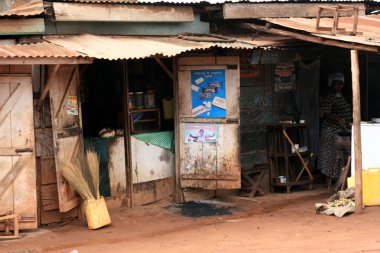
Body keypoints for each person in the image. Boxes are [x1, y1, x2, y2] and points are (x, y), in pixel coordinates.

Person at [318, 73, 352, 179]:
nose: (339, 86)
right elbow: (326, 114)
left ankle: (338, 178)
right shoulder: (328, 96)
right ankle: (328, 179)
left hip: (340, 129)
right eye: (337, 84)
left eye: (341, 84)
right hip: (330, 131)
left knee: (340, 156)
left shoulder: (339, 95)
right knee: (331, 156)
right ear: (331, 84)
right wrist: (338, 119)